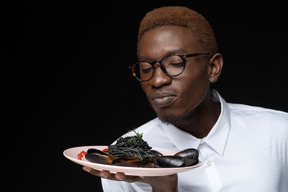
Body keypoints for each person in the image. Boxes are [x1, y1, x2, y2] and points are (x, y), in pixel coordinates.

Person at [83, 6, 288, 192]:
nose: (157, 80)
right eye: (146, 68)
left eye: (174, 63)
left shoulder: (279, 132)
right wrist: (164, 187)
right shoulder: (120, 161)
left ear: (213, 68)